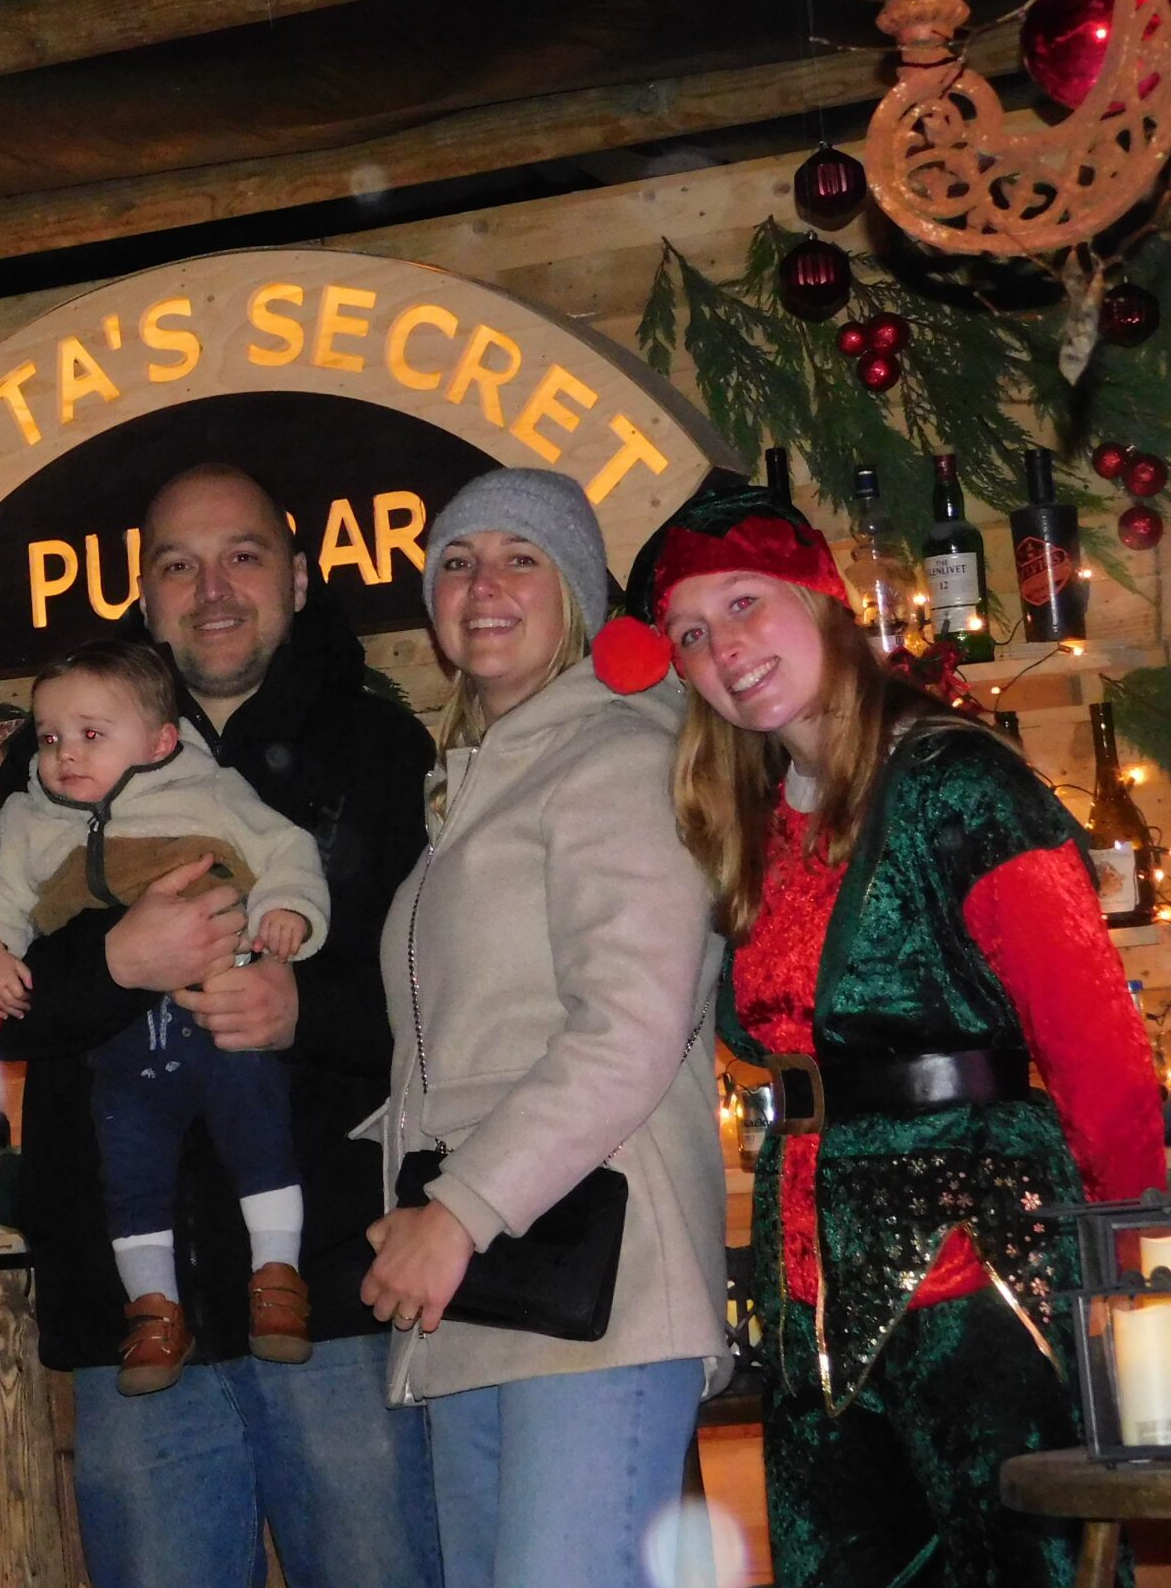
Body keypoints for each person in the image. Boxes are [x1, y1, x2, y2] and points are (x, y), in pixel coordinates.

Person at [618, 482, 1168, 1588]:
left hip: (979, 1264)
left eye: (743, 604)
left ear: (818, 596)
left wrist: (1141, 1265)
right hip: (810, 1282)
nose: (723, 650)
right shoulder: (749, 820)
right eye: (689, 633)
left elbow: (1096, 1049)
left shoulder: (958, 784)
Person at [0, 462, 440, 1588]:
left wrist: (302, 1010)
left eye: (243, 555)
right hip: (132, 1306)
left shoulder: (379, 752)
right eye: (178, 565)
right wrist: (112, 962)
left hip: (335, 1293)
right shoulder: (52, 757)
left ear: (296, 577)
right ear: (145, 598)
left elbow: (441, 1000)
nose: (212, 588)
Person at [358, 467, 727, 1588]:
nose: (484, 585)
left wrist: (458, 1210)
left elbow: (629, 1028)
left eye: (522, 558)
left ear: (577, 592)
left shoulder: (619, 757)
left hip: (598, 1286)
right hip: (484, 1285)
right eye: (457, 563)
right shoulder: (474, 784)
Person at [0, 638, 330, 1391]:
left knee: (261, 1131)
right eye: (49, 738)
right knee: (128, 1170)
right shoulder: (29, 819)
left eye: (91, 735)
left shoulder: (209, 792)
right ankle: (153, 1312)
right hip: (119, 1052)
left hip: (223, 1019)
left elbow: (286, 850)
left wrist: (289, 910)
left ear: (161, 741)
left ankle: (277, 1277)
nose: (65, 754)